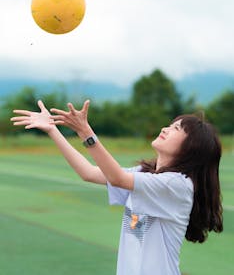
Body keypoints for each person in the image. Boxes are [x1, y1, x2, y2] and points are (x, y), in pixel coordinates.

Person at [11, 99, 223, 275]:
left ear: (192, 147)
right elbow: (89, 172)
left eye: (176, 128)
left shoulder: (178, 185)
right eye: (170, 124)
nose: (165, 129)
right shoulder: (144, 175)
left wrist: (86, 132)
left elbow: (118, 178)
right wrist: (52, 130)